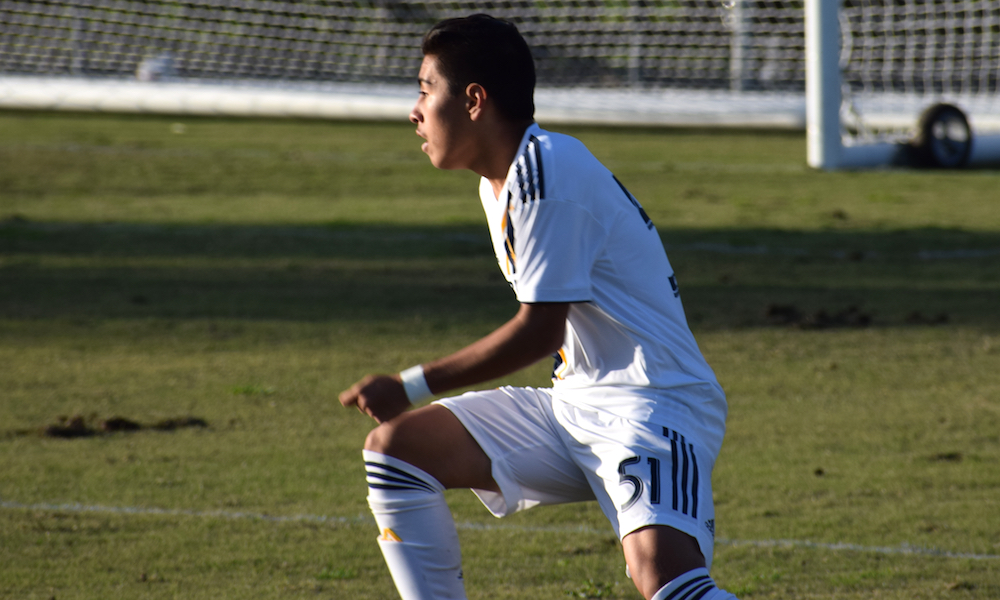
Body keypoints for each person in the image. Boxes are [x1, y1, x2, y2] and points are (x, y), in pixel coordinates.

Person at [339, 14, 738, 600]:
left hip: (651, 407)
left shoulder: (546, 169)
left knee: (668, 584)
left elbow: (537, 329)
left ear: (474, 100)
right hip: (575, 403)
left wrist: (412, 384)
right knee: (397, 451)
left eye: (426, 89)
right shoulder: (501, 179)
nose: (414, 110)